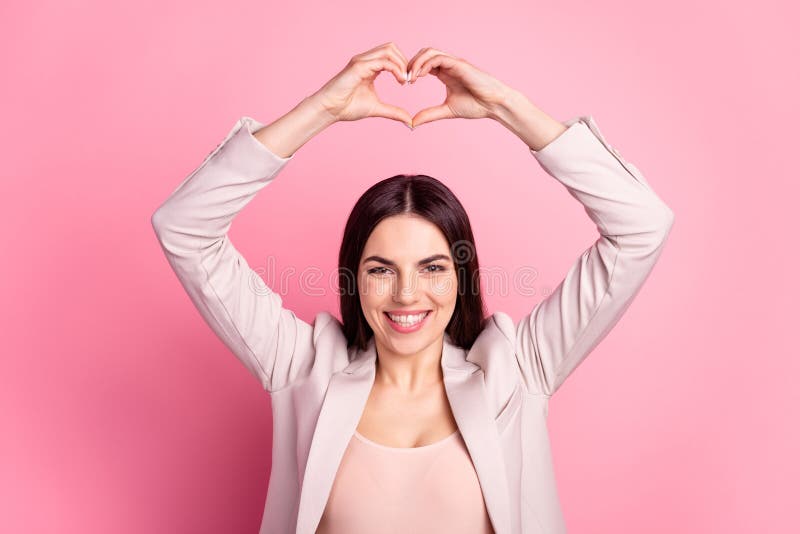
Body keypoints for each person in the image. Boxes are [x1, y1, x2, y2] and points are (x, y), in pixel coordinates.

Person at [151, 42, 674, 534]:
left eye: (432, 268)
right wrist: (321, 110)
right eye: (381, 269)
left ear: (461, 276)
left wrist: (505, 106)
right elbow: (184, 228)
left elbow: (641, 226)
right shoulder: (300, 368)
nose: (406, 294)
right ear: (353, 279)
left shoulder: (518, 369)